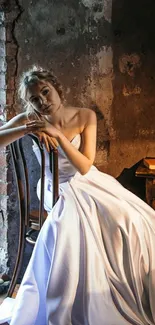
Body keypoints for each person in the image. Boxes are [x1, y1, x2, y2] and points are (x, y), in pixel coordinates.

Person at [0, 66, 155, 325]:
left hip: (87, 179)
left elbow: (84, 165)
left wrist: (58, 135)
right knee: (72, 220)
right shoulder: (32, 118)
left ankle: (114, 285)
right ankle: (73, 293)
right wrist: (27, 130)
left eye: (46, 93)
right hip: (55, 186)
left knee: (131, 220)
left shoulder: (85, 115)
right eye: (35, 99)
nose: (43, 101)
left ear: (57, 89)